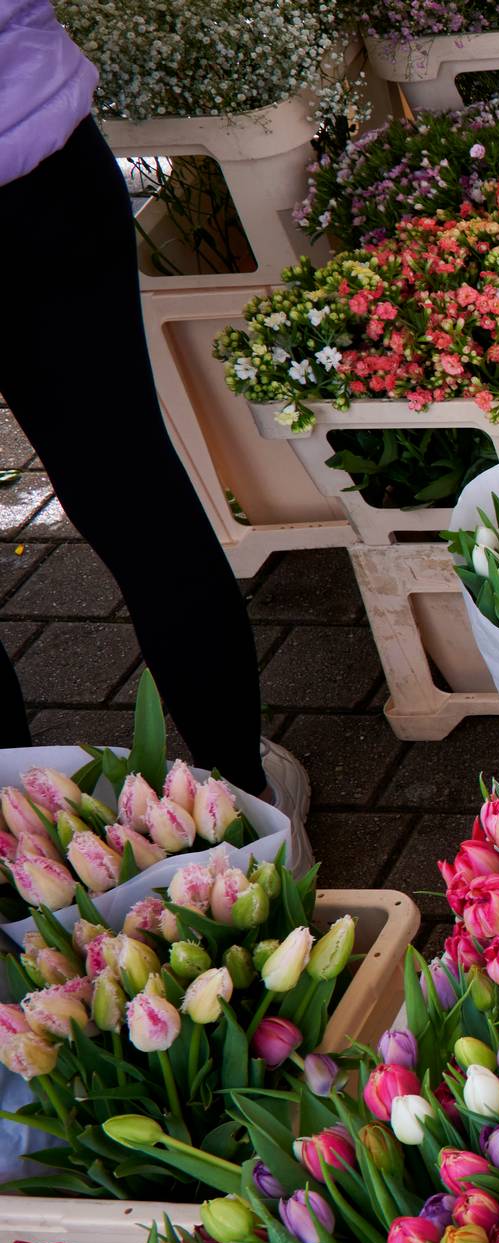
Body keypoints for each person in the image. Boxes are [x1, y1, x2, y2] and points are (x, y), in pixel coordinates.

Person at [0, 0, 308, 828]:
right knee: (134, 494)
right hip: (32, 170)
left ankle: (16, 854)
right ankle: (245, 803)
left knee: (136, 497)